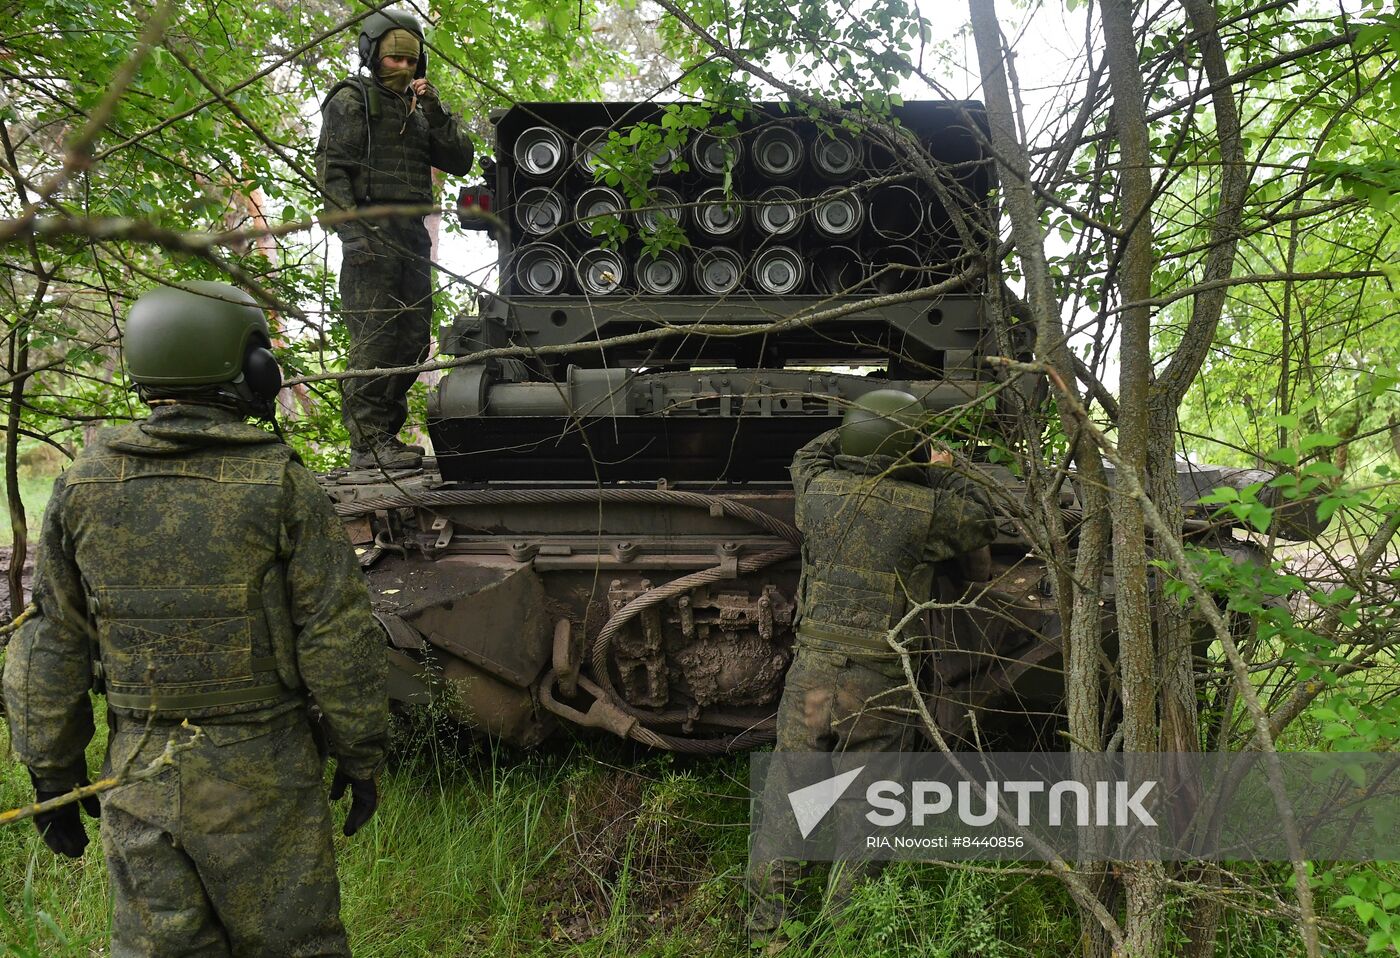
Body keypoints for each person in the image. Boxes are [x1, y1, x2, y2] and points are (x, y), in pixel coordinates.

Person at [2, 281, 390, 956]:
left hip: (141, 772)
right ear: (253, 371)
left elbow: (53, 638)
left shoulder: (81, 487)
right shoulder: (282, 486)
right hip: (264, 776)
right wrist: (361, 753)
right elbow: (337, 635)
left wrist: (49, 770)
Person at [746, 388, 998, 951]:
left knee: (789, 806)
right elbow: (984, 518)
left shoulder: (817, 492)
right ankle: (845, 935)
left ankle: (770, 938)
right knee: (867, 815)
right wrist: (939, 467)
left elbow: (808, 455)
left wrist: (857, 433)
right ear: (906, 450)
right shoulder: (923, 511)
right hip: (878, 685)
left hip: (811, 677)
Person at [315, 9, 474, 470]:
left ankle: (383, 435)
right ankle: (367, 444)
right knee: (375, 339)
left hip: (411, 236)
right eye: (394, 60)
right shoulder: (351, 100)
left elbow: (459, 160)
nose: (403, 68)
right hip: (369, 233)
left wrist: (435, 111)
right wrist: (353, 236)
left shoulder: (421, 108)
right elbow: (332, 173)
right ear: (372, 55)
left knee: (411, 340)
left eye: (410, 60)